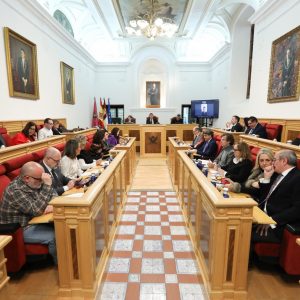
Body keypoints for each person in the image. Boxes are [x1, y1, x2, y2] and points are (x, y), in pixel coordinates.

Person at [0, 161, 57, 264]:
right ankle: (64, 269)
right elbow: (36, 211)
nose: (42, 181)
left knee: (62, 227)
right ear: (27, 178)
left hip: (33, 221)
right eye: (40, 180)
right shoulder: (15, 191)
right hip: (20, 228)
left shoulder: (34, 180)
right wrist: (47, 186)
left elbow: (53, 193)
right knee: (56, 236)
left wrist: (51, 204)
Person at [252, 149, 300, 244]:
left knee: (241, 232)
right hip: (262, 217)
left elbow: (297, 209)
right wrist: (266, 178)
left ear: (284, 161)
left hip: (277, 225)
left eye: (274, 160)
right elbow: (265, 197)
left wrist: (271, 221)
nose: (272, 163)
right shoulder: (278, 174)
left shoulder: (297, 178)